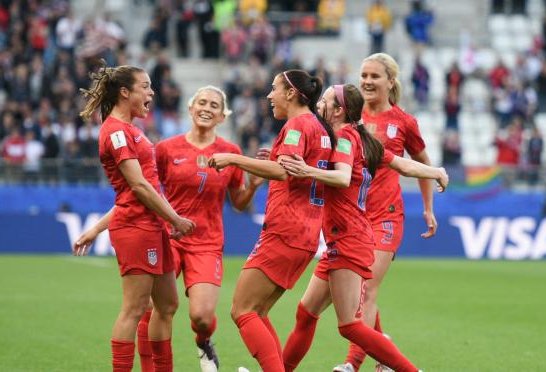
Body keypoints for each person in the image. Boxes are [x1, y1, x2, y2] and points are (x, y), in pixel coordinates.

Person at [280, 84, 448, 372]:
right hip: (343, 238)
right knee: (306, 313)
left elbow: (343, 177)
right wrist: (436, 172)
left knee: (349, 326)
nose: (318, 106)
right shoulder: (361, 137)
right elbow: (404, 167)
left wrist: (308, 171)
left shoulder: (345, 137)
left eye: (325, 102)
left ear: (338, 110)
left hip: (348, 238)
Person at [207, 69, 334, 371]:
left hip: (285, 230)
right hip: (305, 232)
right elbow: (291, 168)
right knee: (259, 312)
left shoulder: (297, 125)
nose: (269, 95)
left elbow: (284, 171)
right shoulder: (318, 126)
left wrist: (234, 159)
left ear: (291, 93)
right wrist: (272, 161)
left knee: (242, 310)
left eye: (274, 89)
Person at [73, 63, 195, 372]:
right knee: (135, 307)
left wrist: (95, 229)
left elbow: (131, 193)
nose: (152, 92)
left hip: (152, 226)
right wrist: (175, 219)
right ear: (125, 92)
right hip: (138, 228)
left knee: (167, 305)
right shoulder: (115, 132)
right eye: (146, 86)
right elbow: (139, 187)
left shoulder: (130, 130)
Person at [135, 86, 264, 372]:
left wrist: (253, 186)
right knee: (151, 308)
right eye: (202, 103)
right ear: (191, 109)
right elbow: (146, 190)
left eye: (214, 105)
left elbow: (239, 203)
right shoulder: (166, 149)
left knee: (203, 317)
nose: (207, 108)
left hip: (207, 242)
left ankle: (204, 342)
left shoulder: (231, 152)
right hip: (169, 238)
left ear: (222, 116)